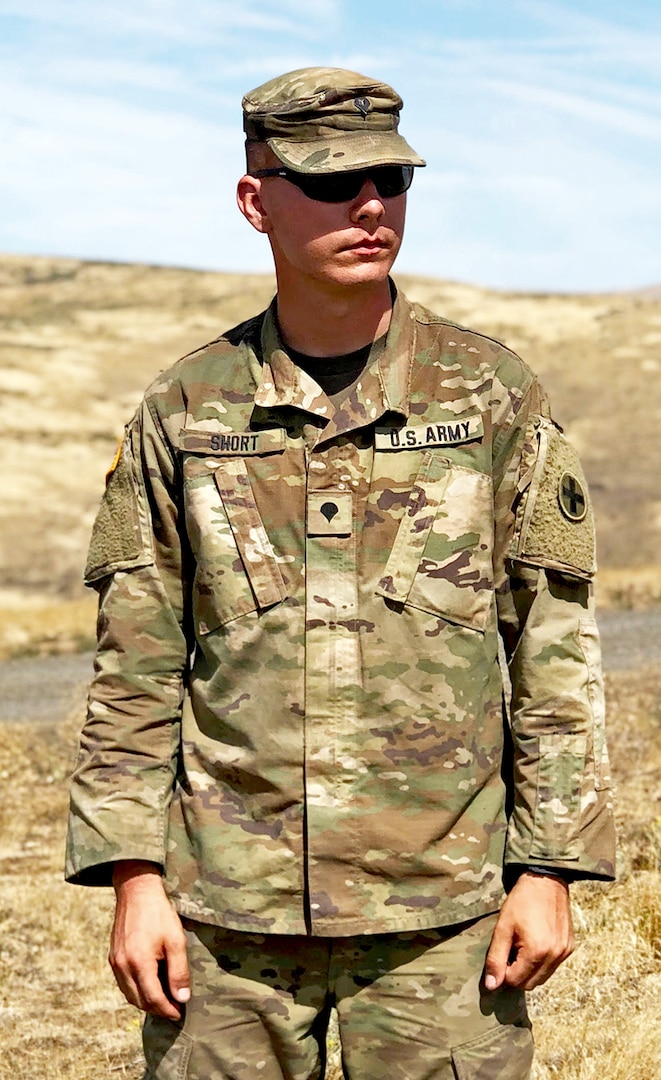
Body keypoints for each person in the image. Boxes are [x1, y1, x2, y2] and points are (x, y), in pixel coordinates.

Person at [66, 67, 615, 1079]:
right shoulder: (185, 412)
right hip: (225, 930)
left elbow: (553, 653)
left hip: (443, 921)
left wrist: (549, 868)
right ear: (253, 200)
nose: (368, 206)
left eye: (390, 181)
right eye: (329, 183)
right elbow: (135, 667)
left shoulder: (491, 398)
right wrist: (133, 874)